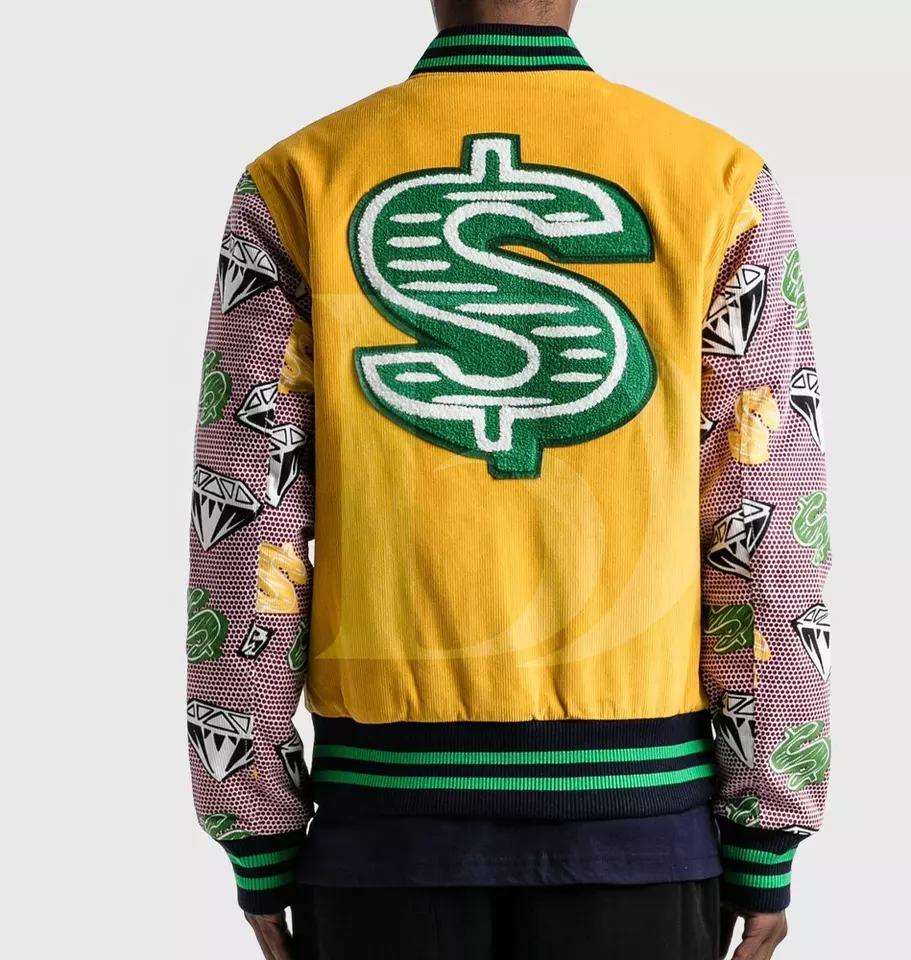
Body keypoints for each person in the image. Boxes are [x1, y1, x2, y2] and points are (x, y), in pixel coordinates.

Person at [186, 1, 832, 957]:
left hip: (382, 840)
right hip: (643, 830)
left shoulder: (298, 180)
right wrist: (767, 828)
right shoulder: (718, 180)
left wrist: (257, 831)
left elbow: (245, 525)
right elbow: (765, 524)